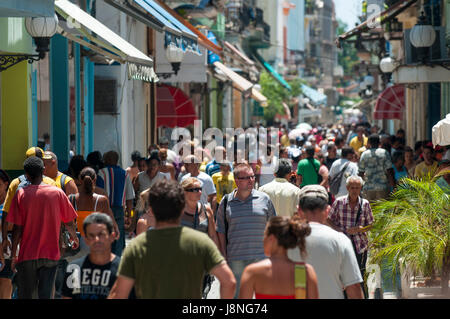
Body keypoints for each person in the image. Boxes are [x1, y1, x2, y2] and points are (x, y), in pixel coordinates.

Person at [108, 179, 236, 299]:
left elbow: (119, 293)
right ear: (181, 209)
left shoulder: (138, 246)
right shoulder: (200, 243)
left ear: (152, 210)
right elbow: (229, 282)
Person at [6, 156, 79, 299]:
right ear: (43, 170)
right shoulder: (57, 192)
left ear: (26, 175)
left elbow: (17, 228)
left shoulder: (21, 194)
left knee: (27, 295)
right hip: (50, 254)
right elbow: (69, 221)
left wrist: (14, 254)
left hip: (27, 254)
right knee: (46, 294)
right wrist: (74, 237)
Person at [287, 185, 364, 299]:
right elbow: (353, 286)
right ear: (327, 211)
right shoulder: (340, 240)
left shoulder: (286, 240)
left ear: (299, 210)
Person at [216, 163, 277, 298]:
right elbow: (220, 231)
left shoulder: (264, 199)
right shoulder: (226, 202)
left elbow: (273, 226)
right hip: (236, 258)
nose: (251, 180)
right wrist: (224, 256)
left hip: (262, 257)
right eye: (246, 178)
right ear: (237, 180)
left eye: (252, 177)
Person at [239, 216, 318, 299]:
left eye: (264, 234)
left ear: (271, 238)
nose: (263, 239)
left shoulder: (253, 272)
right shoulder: (305, 272)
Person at [1, 148, 56, 266]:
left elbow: (6, 212)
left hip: (22, 240)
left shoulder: (16, 183)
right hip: (46, 239)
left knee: (25, 279)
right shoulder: (51, 183)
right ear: (42, 165)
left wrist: (5, 238)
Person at [327, 176, 374, 298]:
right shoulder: (339, 202)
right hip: (342, 245)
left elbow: (371, 224)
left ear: (361, 189)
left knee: (361, 275)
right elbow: (328, 219)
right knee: (342, 276)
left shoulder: (365, 204)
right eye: (352, 187)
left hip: (360, 246)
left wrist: (360, 229)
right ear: (347, 188)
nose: (354, 190)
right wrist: (340, 230)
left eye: (357, 188)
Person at [62, 213, 120, 299]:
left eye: (101, 235)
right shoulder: (74, 268)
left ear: (112, 236)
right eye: (91, 235)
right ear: (85, 239)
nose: (96, 239)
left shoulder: (123, 269)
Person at [96, 151, 134, 257]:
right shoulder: (125, 174)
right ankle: (116, 261)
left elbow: (98, 193)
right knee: (118, 237)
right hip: (120, 210)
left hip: (104, 210)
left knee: (105, 234)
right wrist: (129, 215)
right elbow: (130, 198)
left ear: (107, 160)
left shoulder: (101, 173)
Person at [358, 134, 395, 201]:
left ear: (369, 142)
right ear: (379, 142)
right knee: (382, 210)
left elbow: (361, 173)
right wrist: (393, 187)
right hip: (383, 188)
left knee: (369, 210)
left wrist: (359, 189)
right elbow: (390, 171)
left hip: (368, 189)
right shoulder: (385, 153)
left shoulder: (364, 154)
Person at [0, 169, 12, 299]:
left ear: (6, 184)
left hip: (7, 248)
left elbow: (11, 225)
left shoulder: (10, 203)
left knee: (4, 280)